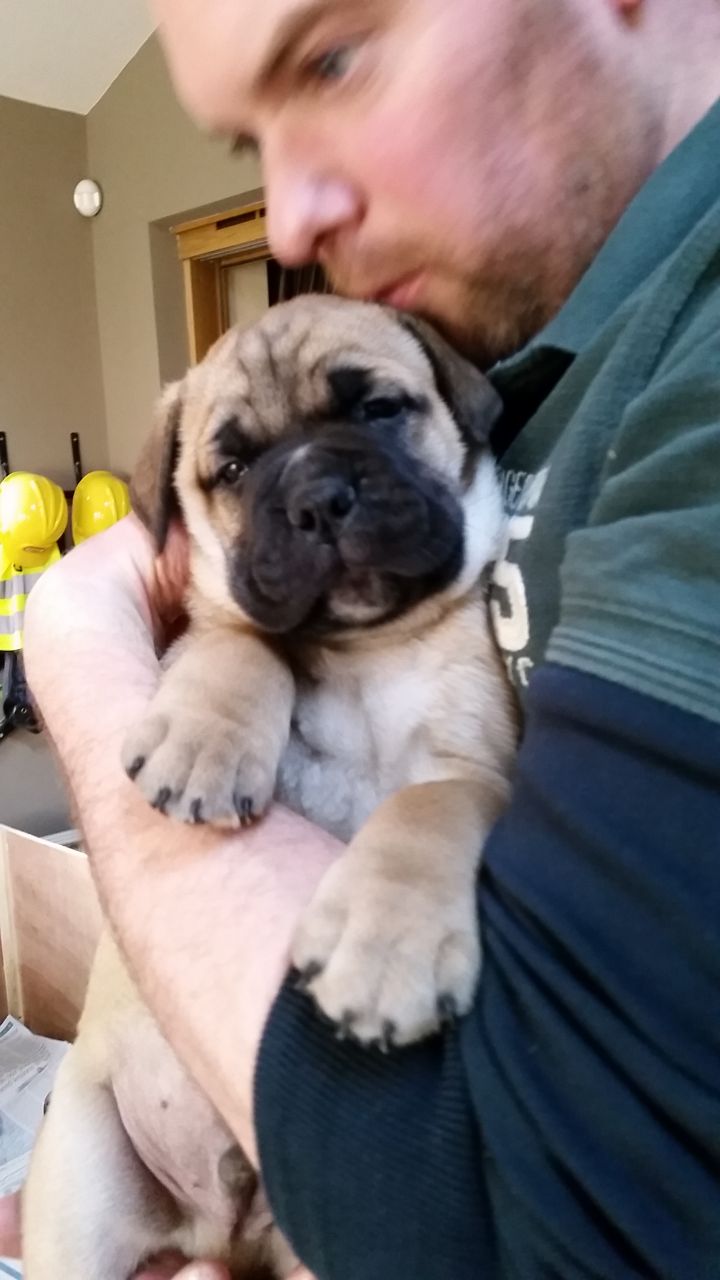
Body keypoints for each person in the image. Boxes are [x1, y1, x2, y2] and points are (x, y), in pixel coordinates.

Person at [10, 0, 720, 1275]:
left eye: (336, 58)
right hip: (142, 1115)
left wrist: (82, 656)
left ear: (456, 413)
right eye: (247, 144)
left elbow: (525, 1214)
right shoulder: (511, 328)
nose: (288, 223)